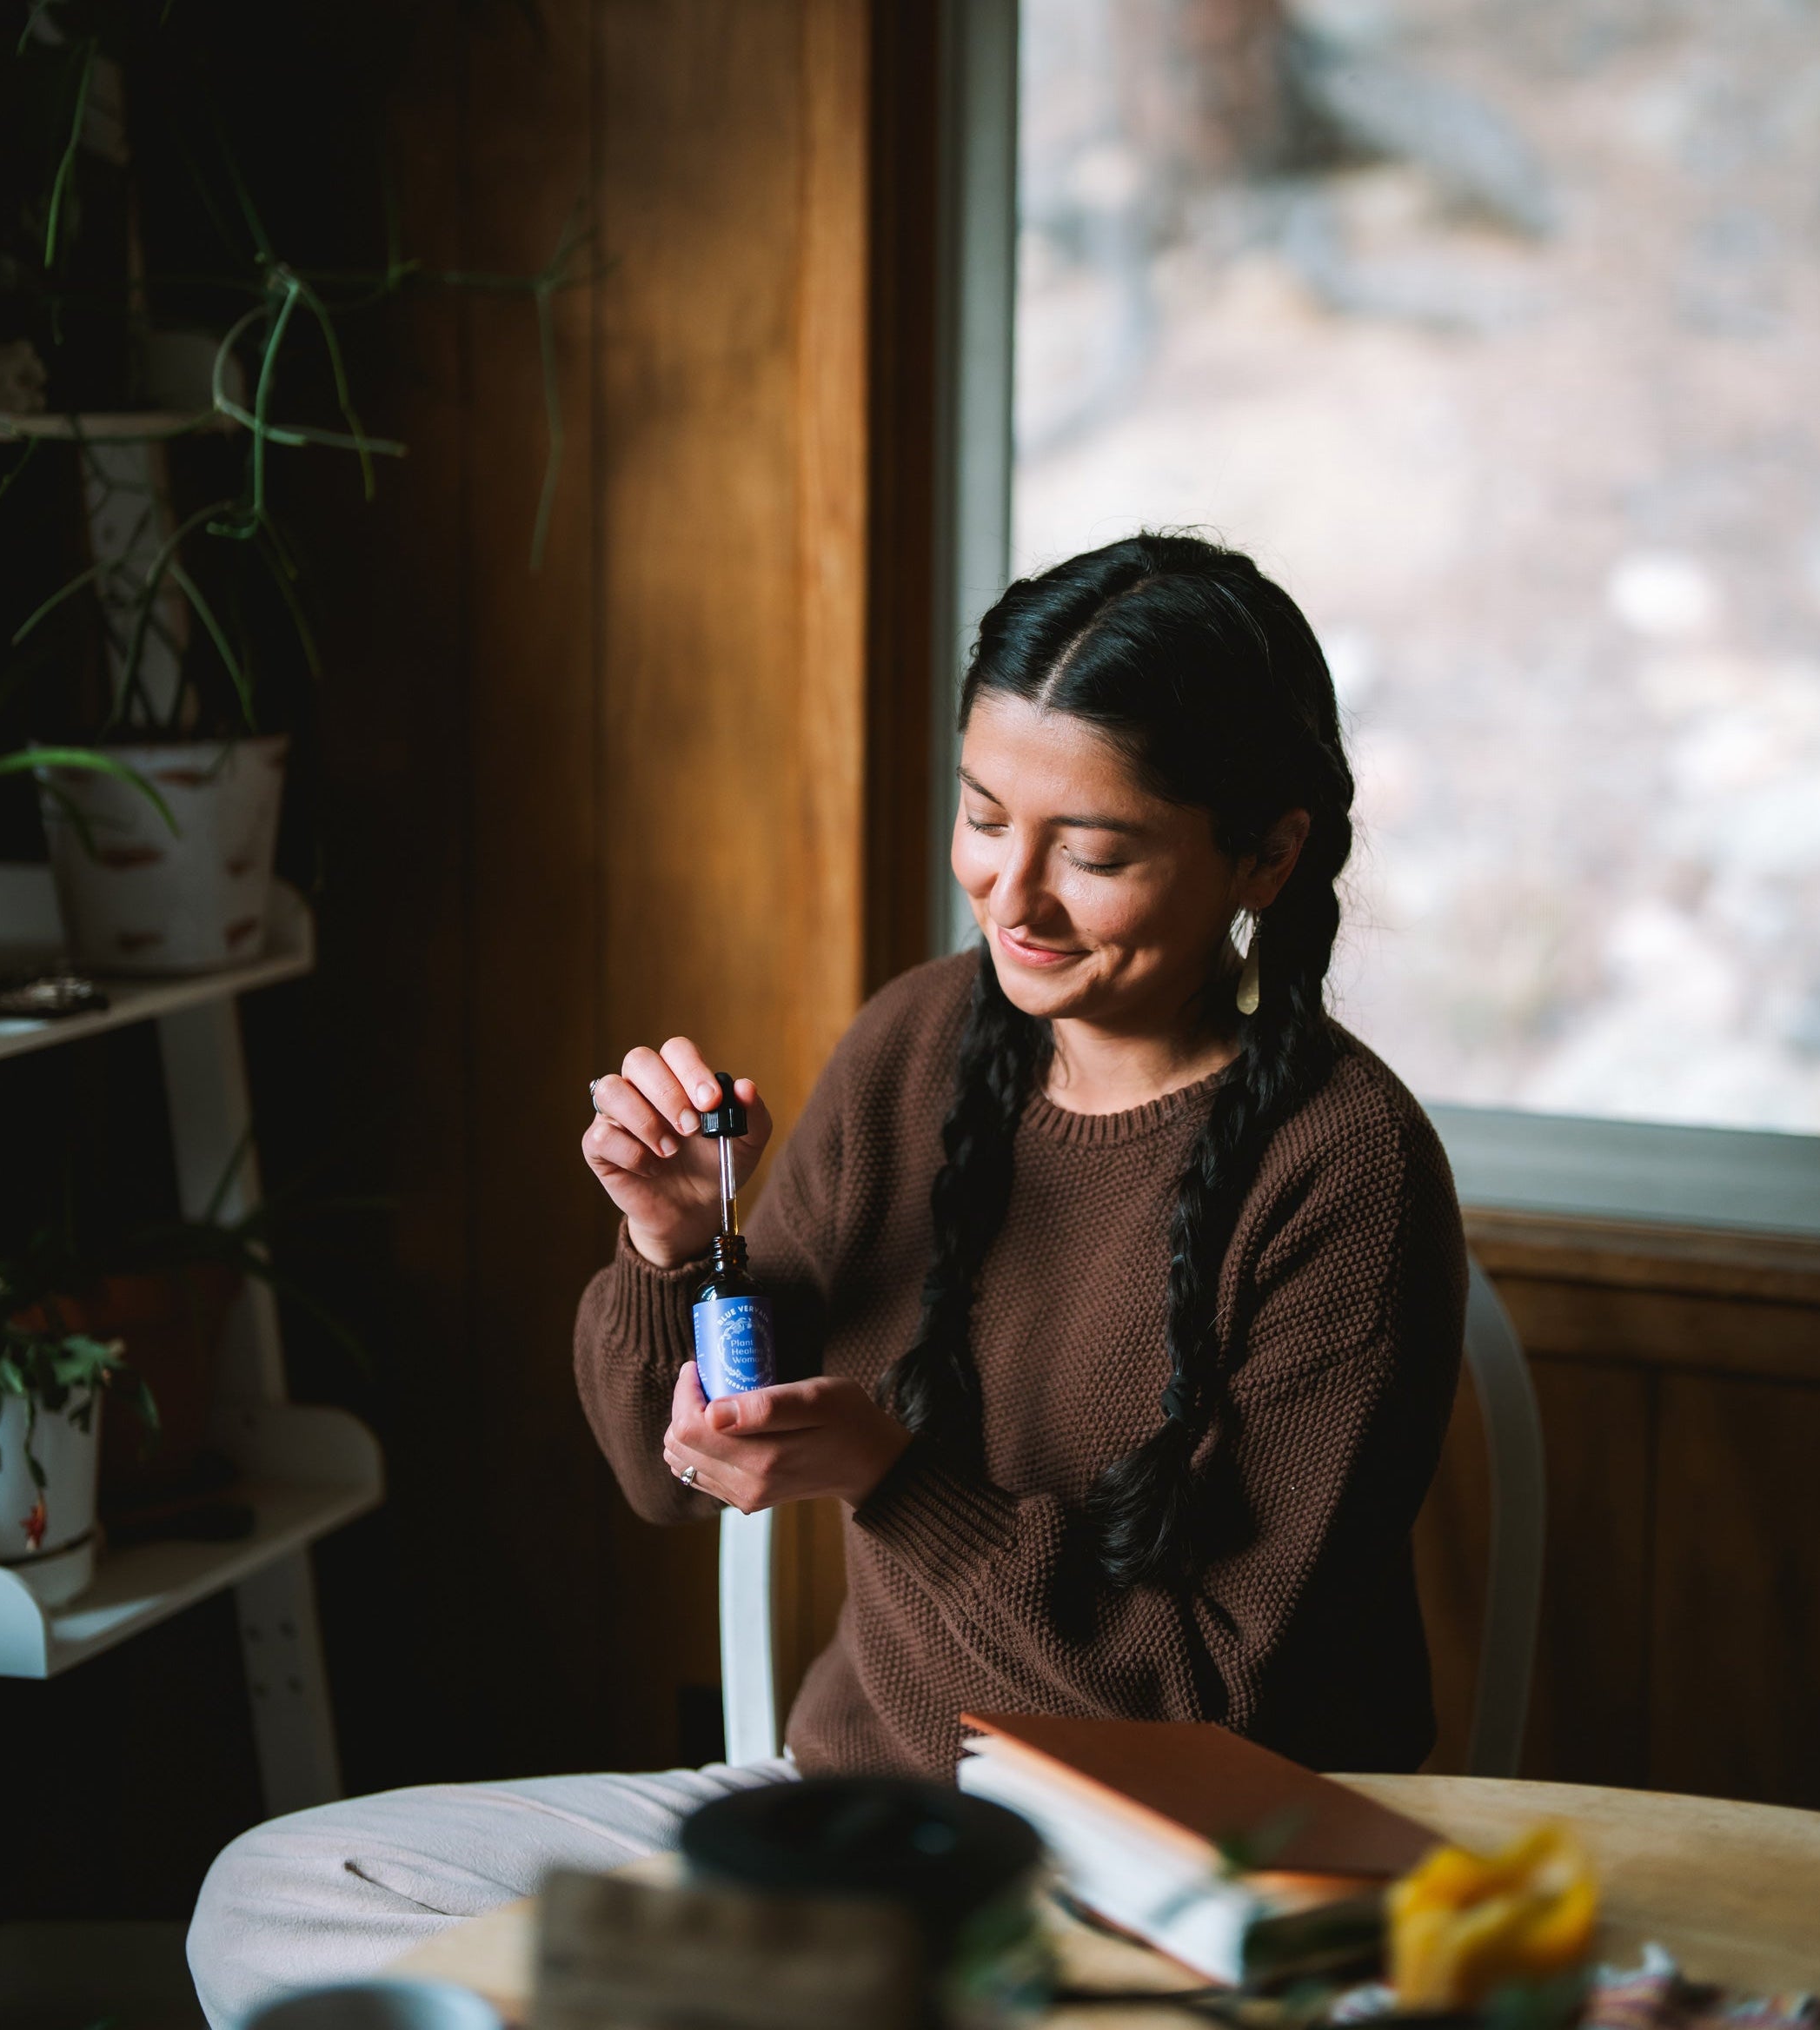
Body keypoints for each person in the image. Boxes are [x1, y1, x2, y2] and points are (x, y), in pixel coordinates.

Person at [187, 534, 1465, 2026]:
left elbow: (1207, 1703)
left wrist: (895, 1478)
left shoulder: (1346, 1167)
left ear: (1265, 854)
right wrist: (675, 1247)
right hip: (857, 1821)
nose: (1016, 896)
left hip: (1182, 1888)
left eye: (1097, 852)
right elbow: (671, 1482)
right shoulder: (924, 1043)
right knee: (280, 1900)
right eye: (985, 817)